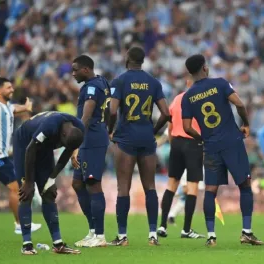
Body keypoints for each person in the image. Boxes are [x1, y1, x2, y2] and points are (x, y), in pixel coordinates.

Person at [181, 54, 264, 247]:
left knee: (210, 191)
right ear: (204, 68)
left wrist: (203, 138)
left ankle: (211, 236)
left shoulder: (188, 96)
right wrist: (245, 123)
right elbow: (240, 104)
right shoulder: (219, 84)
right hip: (232, 142)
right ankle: (247, 232)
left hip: (211, 146)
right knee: (245, 185)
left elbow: (186, 127)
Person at [108, 46, 170, 246]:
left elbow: (112, 111)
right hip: (146, 138)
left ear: (127, 59)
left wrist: (110, 130)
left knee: (123, 187)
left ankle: (122, 236)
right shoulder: (153, 82)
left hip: (126, 138)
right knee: (150, 187)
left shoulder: (119, 81)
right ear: (143, 61)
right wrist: (153, 131)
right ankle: (152, 234)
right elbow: (166, 113)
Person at [14, 111, 84, 255]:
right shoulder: (50, 126)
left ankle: (58, 244)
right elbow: (30, 149)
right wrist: (28, 181)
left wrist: (51, 179)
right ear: (63, 135)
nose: (64, 146)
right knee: (27, 193)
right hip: (25, 144)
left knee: (49, 192)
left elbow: (67, 153)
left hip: (45, 148)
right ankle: (26, 244)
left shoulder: (79, 127)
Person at [0, 77, 41, 234]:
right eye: (8, 87)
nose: (12, 89)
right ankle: (19, 224)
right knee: (16, 187)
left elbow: (14, 109)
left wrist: (26, 107)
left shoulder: (6, 106)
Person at [70, 55, 111, 248]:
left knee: (93, 184)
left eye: (75, 69)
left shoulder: (92, 88)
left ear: (86, 69)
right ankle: (93, 230)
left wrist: (75, 144)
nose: (73, 73)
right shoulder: (101, 81)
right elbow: (111, 111)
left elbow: (85, 117)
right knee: (78, 183)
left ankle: (100, 235)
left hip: (91, 140)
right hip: (93, 138)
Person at [158, 77, 204, 239]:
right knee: (192, 187)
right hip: (193, 144)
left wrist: (173, 144)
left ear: (187, 82)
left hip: (176, 143)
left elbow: (169, 125)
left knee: (171, 184)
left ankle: (162, 226)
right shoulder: (201, 100)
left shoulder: (178, 98)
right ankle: (186, 229)